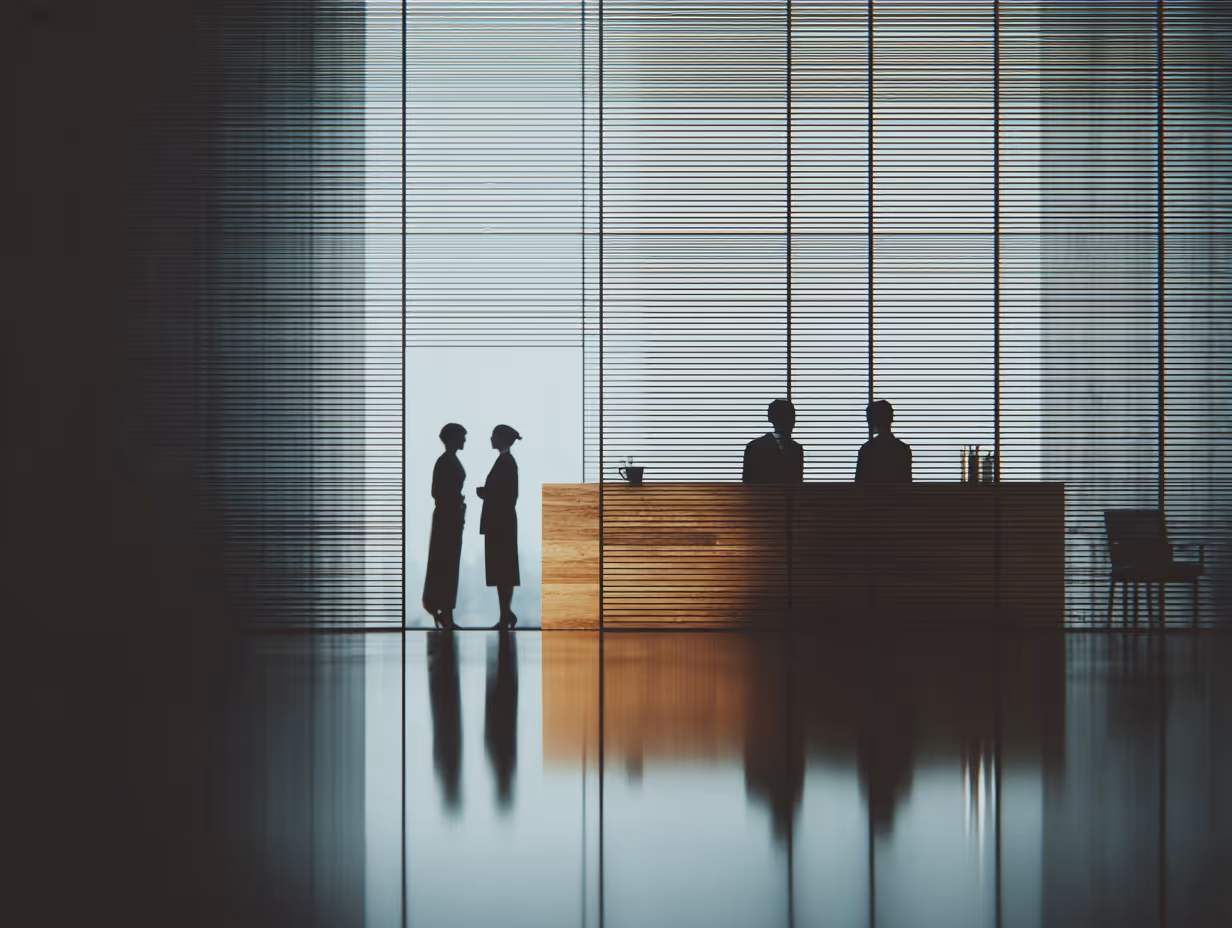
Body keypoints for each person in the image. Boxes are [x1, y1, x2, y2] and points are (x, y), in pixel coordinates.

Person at [423, 423, 467, 629]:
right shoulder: (444, 462)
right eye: (462, 437)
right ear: (453, 439)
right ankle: (443, 612)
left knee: (448, 564)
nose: (464, 441)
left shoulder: (448, 461)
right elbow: (436, 491)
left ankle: (445, 612)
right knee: (445, 563)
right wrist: (455, 502)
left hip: (450, 517)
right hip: (447, 518)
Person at [477, 424, 521, 629]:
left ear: (501, 439)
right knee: (504, 571)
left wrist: (486, 494)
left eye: (493, 435)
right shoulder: (506, 462)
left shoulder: (506, 463)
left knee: (503, 571)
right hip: (502, 523)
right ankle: (506, 614)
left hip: (500, 523)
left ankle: (506, 615)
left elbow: (507, 495)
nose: (490, 439)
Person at [742, 398, 804, 484]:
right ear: (772, 419)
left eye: (792, 417)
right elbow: (748, 482)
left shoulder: (796, 449)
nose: (791, 421)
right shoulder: (755, 447)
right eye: (785, 417)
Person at [855, 400, 912, 482]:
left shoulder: (867, 450)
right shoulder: (903, 449)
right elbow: (907, 483)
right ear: (891, 419)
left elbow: (859, 485)